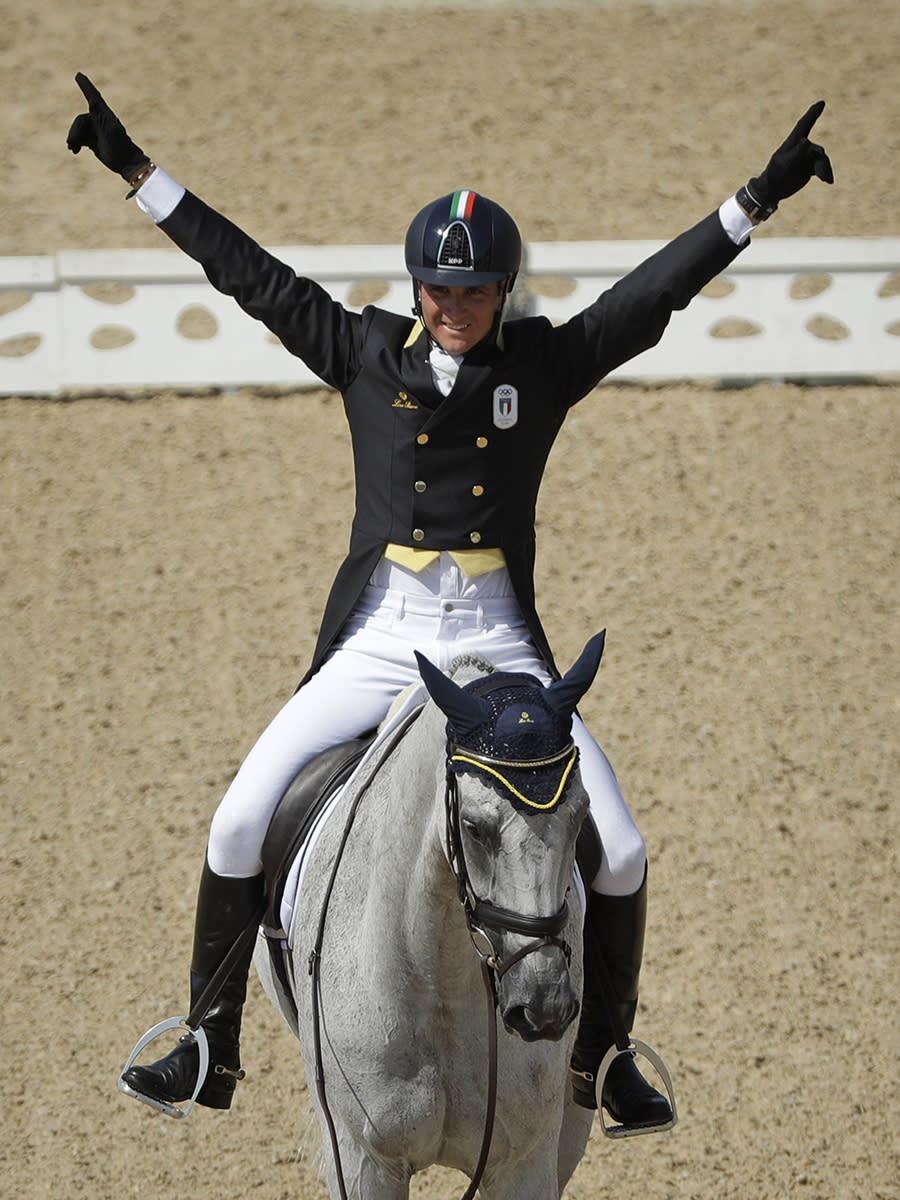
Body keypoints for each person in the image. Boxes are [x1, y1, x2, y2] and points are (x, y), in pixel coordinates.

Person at [67, 74, 832, 1126]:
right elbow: (253, 277)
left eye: (473, 294)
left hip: (502, 640)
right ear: (417, 285)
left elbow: (652, 297)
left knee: (624, 848)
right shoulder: (364, 351)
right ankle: (210, 1042)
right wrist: (139, 174)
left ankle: (603, 1061)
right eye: (438, 289)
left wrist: (756, 201)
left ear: (503, 291)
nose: (454, 308)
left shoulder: (546, 363)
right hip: (381, 636)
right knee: (240, 817)